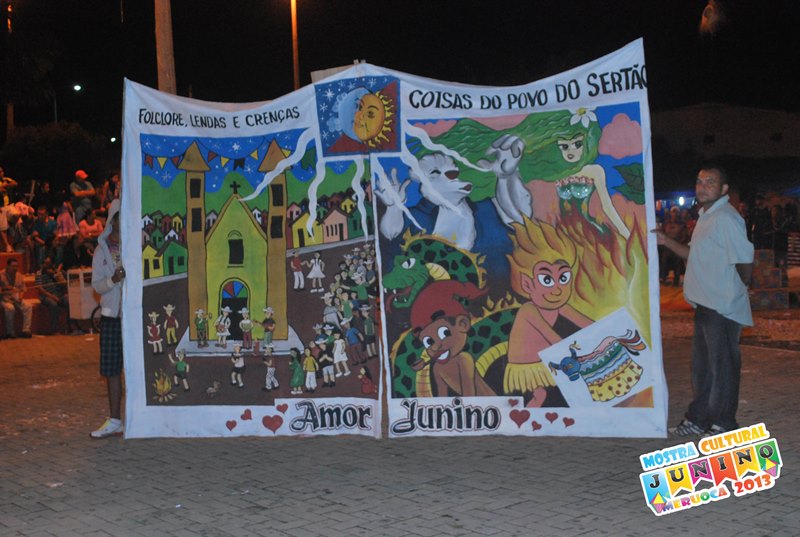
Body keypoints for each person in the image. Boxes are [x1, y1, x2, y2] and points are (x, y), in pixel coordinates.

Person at [652, 162, 753, 437]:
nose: (703, 187)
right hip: (705, 303)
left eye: (710, 182)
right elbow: (693, 255)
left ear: (724, 189)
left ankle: (723, 424)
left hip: (721, 305)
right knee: (703, 368)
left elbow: (744, 260)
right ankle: (699, 418)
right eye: (699, 181)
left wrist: (738, 289)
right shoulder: (706, 216)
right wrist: (665, 241)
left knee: (723, 368)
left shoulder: (726, 218)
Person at [90, 199, 126, 438]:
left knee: (135, 369)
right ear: (112, 219)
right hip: (112, 317)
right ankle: (115, 420)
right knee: (112, 370)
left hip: (133, 316)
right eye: (119, 216)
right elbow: (96, 285)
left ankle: (138, 417)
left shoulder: (134, 244)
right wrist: (113, 280)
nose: (123, 221)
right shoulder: (100, 250)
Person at [0, 258, 33, 338]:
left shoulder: (19, 275)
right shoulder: (1, 275)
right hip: (5, 299)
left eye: (16, 266)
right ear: (8, 266)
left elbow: (23, 289)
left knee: (28, 306)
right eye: (13, 266)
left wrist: (20, 297)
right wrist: (6, 288)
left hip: (17, 298)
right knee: (10, 308)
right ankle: (10, 332)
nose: (15, 268)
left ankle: (26, 330)